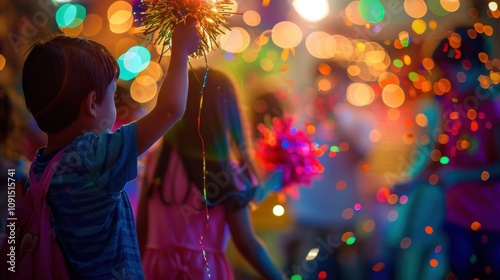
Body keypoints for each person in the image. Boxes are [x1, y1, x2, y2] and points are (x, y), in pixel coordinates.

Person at [19, 19, 200, 279]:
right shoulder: (92, 157)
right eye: (113, 95)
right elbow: (170, 110)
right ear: (92, 103)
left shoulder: (40, 167)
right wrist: (180, 51)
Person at [136, 67, 285, 280]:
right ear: (227, 115)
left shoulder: (157, 159)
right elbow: (247, 244)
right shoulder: (226, 172)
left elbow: (141, 228)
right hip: (204, 272)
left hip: (155, 271)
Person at [432, 26, 500, 279]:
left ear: (475, 66)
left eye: (453, 69)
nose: (447, 77)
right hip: (455, 216)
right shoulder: (451, 102)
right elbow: (441, 152)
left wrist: (459, 176)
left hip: (491, 221)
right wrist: (412, 179)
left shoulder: (494, 109)